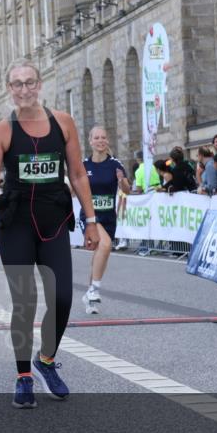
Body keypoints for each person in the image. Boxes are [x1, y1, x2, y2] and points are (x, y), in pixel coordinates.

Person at [0, 59, 100, 409]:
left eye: (29, 82)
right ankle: (23, 377)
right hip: (16, 221)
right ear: (9, 89)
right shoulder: (2, 130)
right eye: (17, 84)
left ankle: (45, 361)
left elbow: (77, 174)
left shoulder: (63, 123)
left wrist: (90, 220)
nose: (24, 89)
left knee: (61, 299)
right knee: (25, 302)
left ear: (40, 84)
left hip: (54, 219)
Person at [81, 126, 130, 314]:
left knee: (98, 256)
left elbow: (127, 190)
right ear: (90, 141)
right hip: (90, 216)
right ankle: (94, 289)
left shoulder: (115, 164)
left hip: (108, 216)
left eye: (103, 137)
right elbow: (75, 188)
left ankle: (89, 298)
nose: (100, 140)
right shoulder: (84, 165)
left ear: (107, 141)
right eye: (97, 137)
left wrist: (121, 181)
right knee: (106, 245)